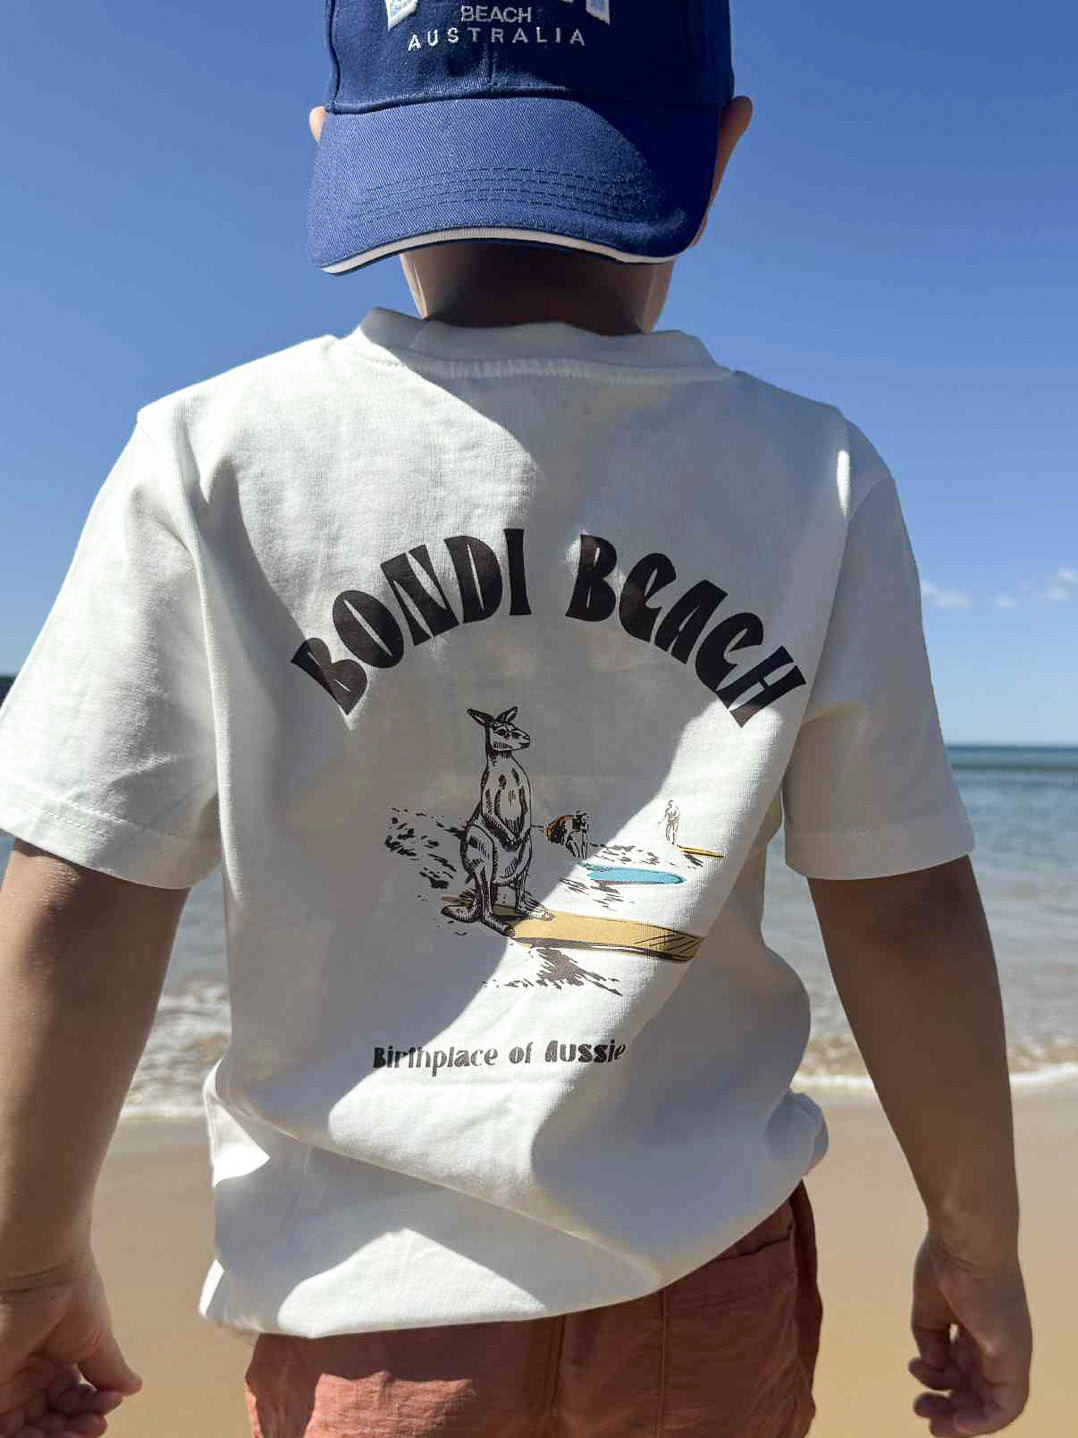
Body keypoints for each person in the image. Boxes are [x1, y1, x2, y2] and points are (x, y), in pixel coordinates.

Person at [0, 1, 1032, 1435]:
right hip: (699, 1270)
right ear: (721, 146)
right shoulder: (814, 475)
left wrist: (27, 1263)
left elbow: (78, 894)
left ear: (336, 139)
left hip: (369, 1296)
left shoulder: (212, 457)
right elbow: (903, 903)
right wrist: (977, 1238)